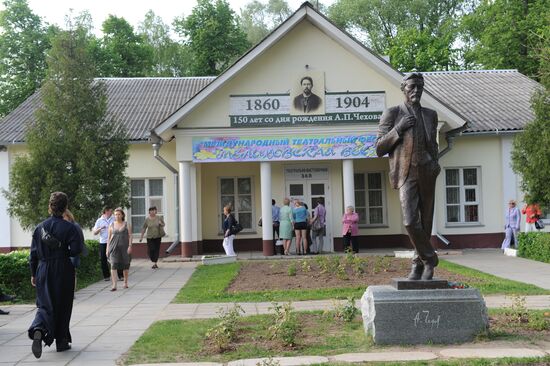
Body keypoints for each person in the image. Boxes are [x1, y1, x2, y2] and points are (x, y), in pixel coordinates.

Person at [376, 72, 441, 281]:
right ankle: (430, 258)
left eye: (419, 87)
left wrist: (435, 163)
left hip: (428, 171)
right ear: (403, 88)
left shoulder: (431, 115)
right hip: (406, 173)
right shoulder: (393, 113)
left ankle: (418, 265)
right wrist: (399, 128)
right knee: (411, 221)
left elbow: (433, 144)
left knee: (427, 220)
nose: (416, 90)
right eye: (412, 86)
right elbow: (379, 147)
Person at [28, 192, 84, 358]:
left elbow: (33, 254)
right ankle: (61, 341)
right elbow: (76, 250)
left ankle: (38, 329)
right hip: (63, 268)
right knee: (63, 304)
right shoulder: (71, 228)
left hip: (43, 269)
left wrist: (33, 273)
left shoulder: (39, 228)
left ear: (50, 207)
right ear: (65, 207)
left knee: (44, 304)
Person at [93, 207, 122, 282]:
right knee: (103, 259)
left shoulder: (114, 218)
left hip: (113, 241)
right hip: (103, 242)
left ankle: (120, 275)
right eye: (110, 211)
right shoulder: (99, 220)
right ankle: (106, 276)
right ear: (106, 211)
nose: (112, 212)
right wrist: (100, 228)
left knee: (117, 258)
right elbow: (95, 232)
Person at [107, 208, 132, 291]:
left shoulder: (126, 224)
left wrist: (130, 246)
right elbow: (109, 238)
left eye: (118, 214)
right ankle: (114, 285)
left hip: (124, 248)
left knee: (125, 265)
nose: (117, 216)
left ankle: (125, 282)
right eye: (115, 214)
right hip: (113, 248)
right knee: (113, 265)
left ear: (122, 215)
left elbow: (130, 235)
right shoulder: (111, 225)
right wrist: (107, 249)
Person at [63, 209, 87, 290]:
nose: (62, 219)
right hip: (69, 252)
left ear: (68, 216)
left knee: (72, 272)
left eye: (63, 217)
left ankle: (72, 290)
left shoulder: (74, 226)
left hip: (73, 252)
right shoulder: (69, 225)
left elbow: (79, 240)